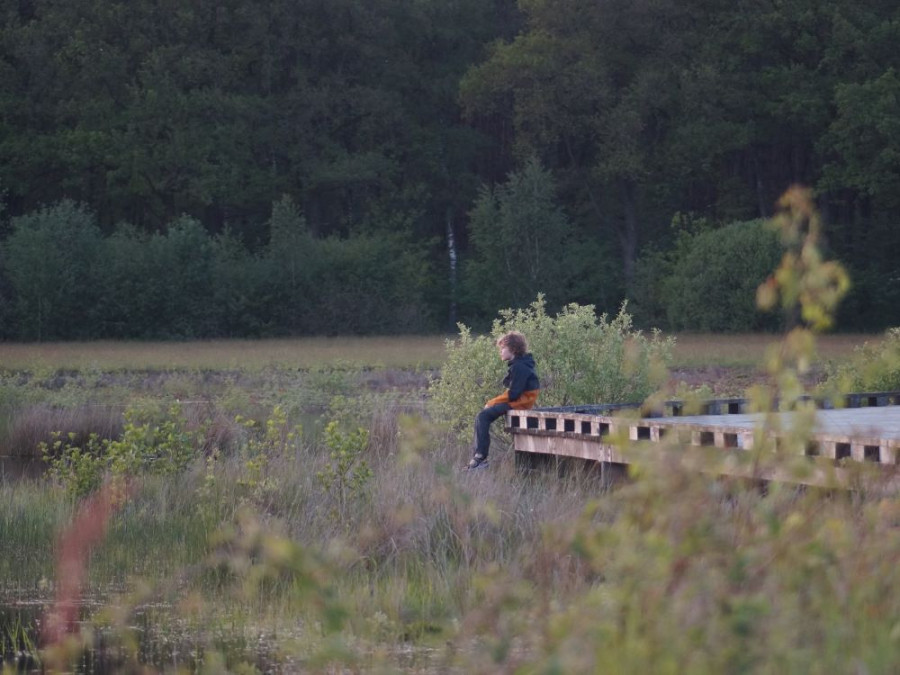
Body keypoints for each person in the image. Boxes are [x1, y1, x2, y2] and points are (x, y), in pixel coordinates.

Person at [466, 331, 540, 470]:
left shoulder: (519, 366)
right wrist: (495, 401)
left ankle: (480, 457)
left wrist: (492, 402)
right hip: (520, 401)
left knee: (483, 416)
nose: (500, 352)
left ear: (512, 349)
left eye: (502, 349)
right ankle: (479, 456)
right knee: (482, 416)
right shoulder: (520, 363)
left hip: (521, 403)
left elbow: (513, 394)